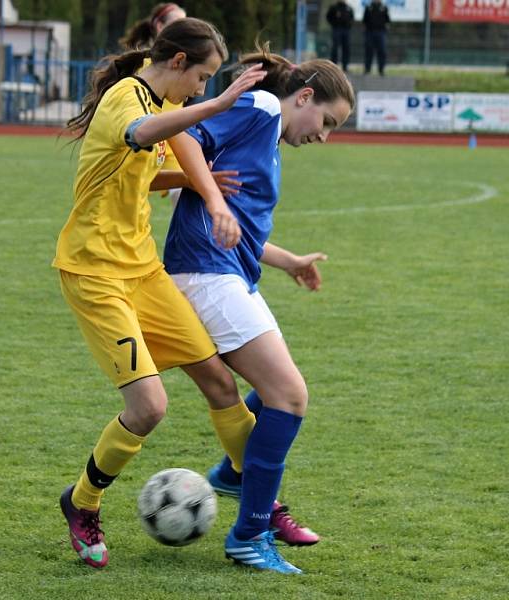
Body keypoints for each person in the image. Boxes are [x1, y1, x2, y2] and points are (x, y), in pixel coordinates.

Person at [52, 18, 268, 570]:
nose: (201, 87)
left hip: (144, 271)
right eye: (202, 77)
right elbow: (140, 135)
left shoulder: (156, 100)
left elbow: (148, 171)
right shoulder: (131, 97)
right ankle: (82, 502)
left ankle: (264, 507)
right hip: (95, 273)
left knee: (221, 380)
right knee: (149, 407)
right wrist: (217, 106)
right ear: (176, 63)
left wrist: (202, 183)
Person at [164, 48, 355, 574]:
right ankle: (249, 534)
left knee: (281, 393)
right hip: (204, 272)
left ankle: (232, 472)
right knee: (289, 395)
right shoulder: (262, 108)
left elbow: (238, 225)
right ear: (305, 96)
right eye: (327, 121)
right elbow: (182, 137)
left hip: (229, 273)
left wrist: (286, 259)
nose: (324, 135)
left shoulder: (267, 131)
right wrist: (213, 201)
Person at [120, 3, 188, 207]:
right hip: (137, 155)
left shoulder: (177, 71)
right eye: (179, 24)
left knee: (197, 214)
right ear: (159, 26)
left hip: (167, 153)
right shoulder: (145, 71)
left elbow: (175, 125)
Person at [362, 0, 390, 76]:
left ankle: (381, 70)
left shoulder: (384, 7)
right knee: (369, 51)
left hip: (380, 32)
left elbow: (387, 20)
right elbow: (364, 20)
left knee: (382, 51)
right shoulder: (368, 7)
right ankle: (367, 69)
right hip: (370, 32)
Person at [327, 0, 354, 72]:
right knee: (335, 48)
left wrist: (349, 25)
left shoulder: (349, 8)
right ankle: (333, 66)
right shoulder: (334, 7)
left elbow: (352, 18)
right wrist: (334, 24)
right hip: (337, 29)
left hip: (346, 30)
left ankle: (345, 66)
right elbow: (328, 17)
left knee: (346, 48)